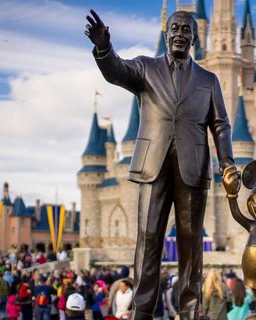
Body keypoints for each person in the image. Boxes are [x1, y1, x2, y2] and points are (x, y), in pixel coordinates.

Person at [85, 8, 240, 320]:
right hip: (152, 165)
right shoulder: (146, 67)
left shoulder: (208, 80)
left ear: (196, 38)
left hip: (193, 168)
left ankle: (190, 310)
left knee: (191, 243)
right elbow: (115, 71)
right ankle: (142, 311)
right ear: (166, 34)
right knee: (149, 239)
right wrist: (103, 48)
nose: (180, 33)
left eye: (187, 29)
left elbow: (220, 124)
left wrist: (227, 161)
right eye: (175, 29)